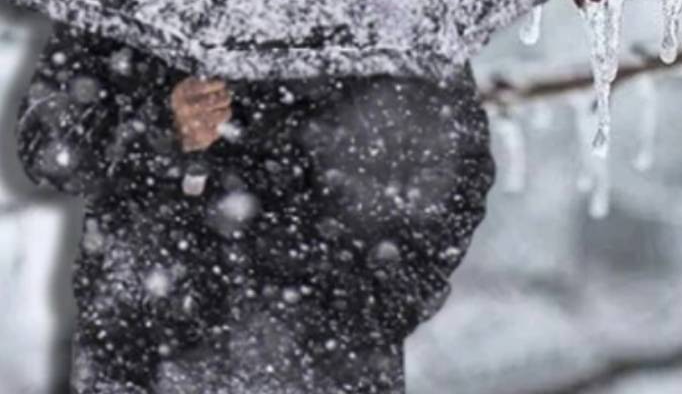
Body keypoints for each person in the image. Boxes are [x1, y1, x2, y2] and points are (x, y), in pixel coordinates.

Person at [15, 23, 496, 393]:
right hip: (144, 349)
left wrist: (376, 306)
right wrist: (159, 126)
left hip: (324, 358)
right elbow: (49, 146)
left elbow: (456, 167)